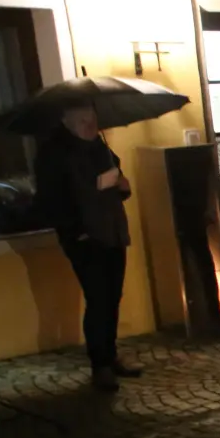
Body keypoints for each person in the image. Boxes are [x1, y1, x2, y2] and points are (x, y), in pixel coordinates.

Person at [35, 103, 140, 391]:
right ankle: (100, 365)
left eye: (93, 118)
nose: (90, 124)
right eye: (83, 120)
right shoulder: (54, 154)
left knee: (112, 296)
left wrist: (122, 186)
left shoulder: (100, 146)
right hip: (84, 236)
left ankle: (110, 354)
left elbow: (118, 179)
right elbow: (52, 200)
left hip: (112, 231)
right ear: (67, 122)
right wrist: (76, 231)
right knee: (98, 299)